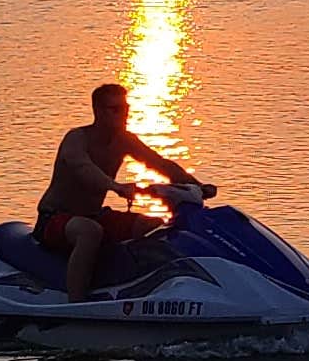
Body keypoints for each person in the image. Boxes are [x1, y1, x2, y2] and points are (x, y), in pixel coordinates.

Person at [37, 82, 208, 301]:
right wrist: (115, 186)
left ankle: (137, 291)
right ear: (98, 111)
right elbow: (82, 168)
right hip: (55, 218)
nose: (123, 115)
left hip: (94, 215)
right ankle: (75, 302)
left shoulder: (124, 140)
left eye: (126, 109)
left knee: (153, 226)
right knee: (90, 232)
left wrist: (198, 186)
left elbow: (161, 164)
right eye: (115, 110)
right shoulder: (77, 138)